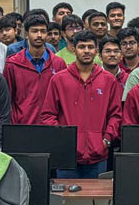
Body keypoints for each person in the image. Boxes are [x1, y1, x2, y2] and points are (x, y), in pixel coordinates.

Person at [39, 30, 122, 178]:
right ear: (74, 49)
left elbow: (115, 115)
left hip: (99, 155)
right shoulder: (59, 79)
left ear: (96, 50)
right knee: (67, 193)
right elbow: (48, 115)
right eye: (82, 47)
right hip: (67, 157)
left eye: (90, 47)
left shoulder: (108, 80)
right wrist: (64, 140)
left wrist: (106, 140)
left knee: (97, 194)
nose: (86, 51)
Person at [4, 16, 67, 125]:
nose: (39, 35)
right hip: (21, 126)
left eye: (43, 31)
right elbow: (7, 100)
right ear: (26, 34)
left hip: (52, 127)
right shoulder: (12, 64)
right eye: (34, 31)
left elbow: (64, 98)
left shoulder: (59, 63)